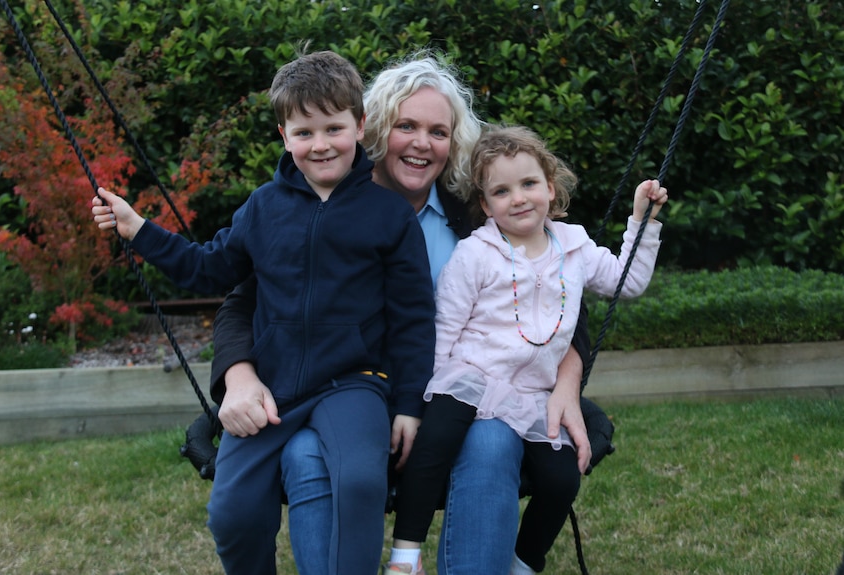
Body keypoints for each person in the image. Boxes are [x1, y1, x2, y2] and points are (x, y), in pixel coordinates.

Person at [210, 54, 594, 575]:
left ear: (453, 143)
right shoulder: (319, 204)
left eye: (438, 131)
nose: (420, 143)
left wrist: (566, 385)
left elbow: (564, 304)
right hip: (336, 396)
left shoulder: (479, 217)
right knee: (305, 454)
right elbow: (244, 299)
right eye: (405, 126)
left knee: (489, 442)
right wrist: (239, 375)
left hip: (460, 406)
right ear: (373, 129)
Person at [91, 50, 436, 575]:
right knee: (231, 514)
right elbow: (208, 270)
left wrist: (408, 402)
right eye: (304, 132)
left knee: (361, 484)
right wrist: (140, 230)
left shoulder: (388, 215)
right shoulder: (262, 208)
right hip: (271, 390)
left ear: (360, 125)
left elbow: (413, 316)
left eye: (333, 128)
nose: (320, 145)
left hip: (354, 383)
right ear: (283, 134)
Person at [386, 125, 668, 574]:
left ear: (550, 188)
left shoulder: (573, 247)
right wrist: (429, 395)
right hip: (470, 379)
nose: (518, 198)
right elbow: (446, 326)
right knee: (432, 448)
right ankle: (404, 555)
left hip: (533, 394)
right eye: (501, 190)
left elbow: (627, 281)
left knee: (562, 478)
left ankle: (524, 561)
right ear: (485, 205)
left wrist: (643, 222)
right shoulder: (476, 254)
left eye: (529, 184)